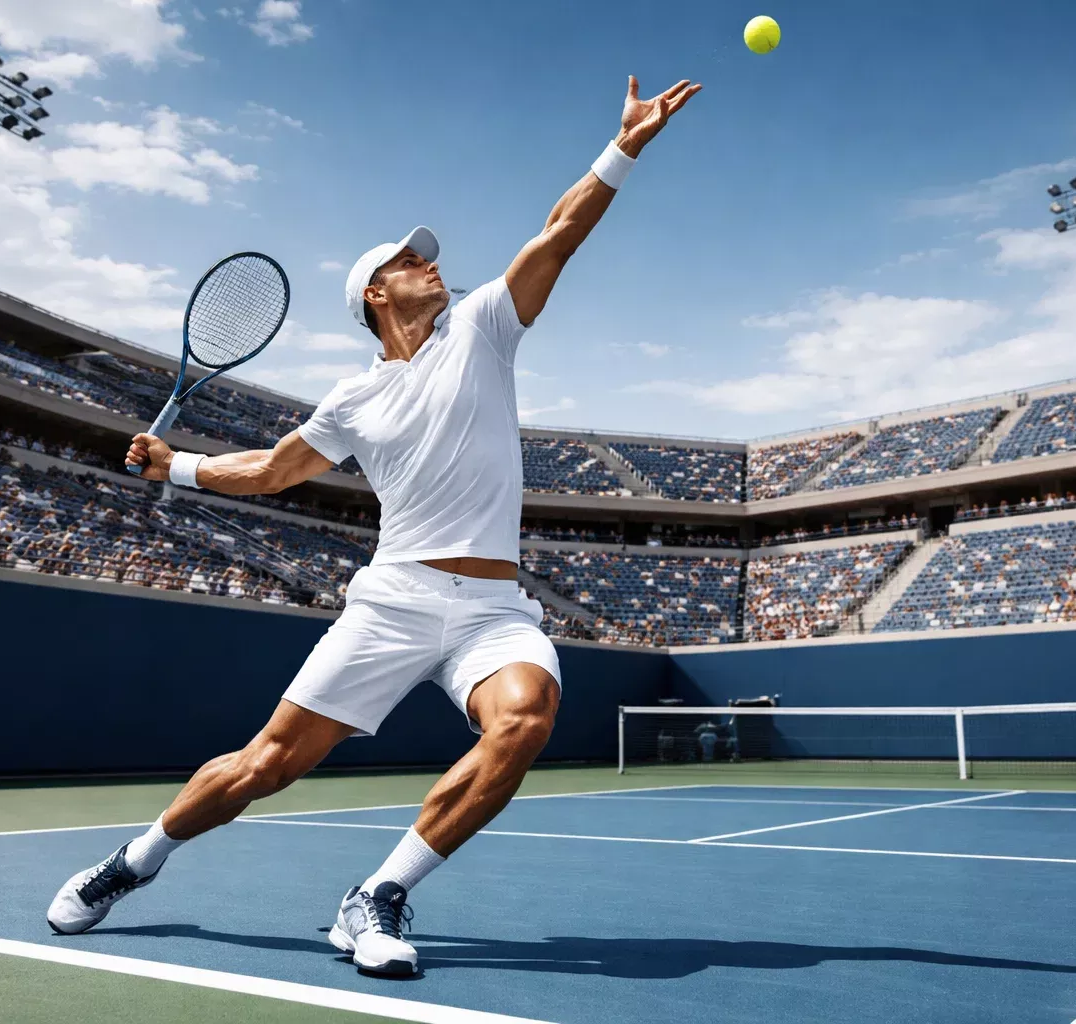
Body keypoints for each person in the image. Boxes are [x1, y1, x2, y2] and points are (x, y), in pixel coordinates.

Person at [44, 75, 702, 978]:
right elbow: (272, 470)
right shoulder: (354, 397)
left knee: (524, 720)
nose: (429, 263)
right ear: (376, 297)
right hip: (393, 601)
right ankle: (134, 861)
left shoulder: (483, 326)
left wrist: (623, 145)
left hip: (493, 611)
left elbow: (559, 232)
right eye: (407, 261)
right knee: (265, 765)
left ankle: (379, 895)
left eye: (425, 256)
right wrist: (178, 466)